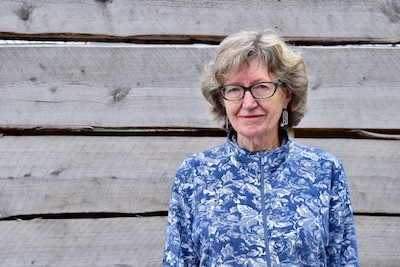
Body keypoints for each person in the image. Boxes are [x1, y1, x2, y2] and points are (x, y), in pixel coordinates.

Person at [163, 29, 359, 266]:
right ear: (222, 100)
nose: (248, 103)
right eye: (234, 89)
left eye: (261, 87)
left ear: (286, 94)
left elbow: (343, 260)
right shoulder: (194, 174)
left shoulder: (325, 171)